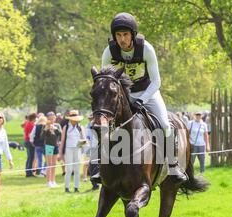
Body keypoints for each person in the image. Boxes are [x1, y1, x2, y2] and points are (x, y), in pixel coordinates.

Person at [94, 12, 187, 184]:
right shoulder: (109, 52)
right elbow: (106, 83)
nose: (122, 39)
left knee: (165, 124)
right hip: (122, 96)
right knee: (103, 124)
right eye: (119, 35)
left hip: (148, 92)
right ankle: (99, 166)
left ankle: (172, 165)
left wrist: (142, 99)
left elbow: (157, 81)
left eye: (126, 35)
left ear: (133, 35)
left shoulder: (146, 49)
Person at [59, 110, 86, 193]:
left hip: (77, 149)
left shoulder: (80, 127)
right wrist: (60, 154)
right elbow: (62, 140)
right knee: (69, 169)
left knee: (77, 170)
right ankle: (66, 188)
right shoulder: (66, 127)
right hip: (68, 149)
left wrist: (82, 144)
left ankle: (76, 187)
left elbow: (84, 139)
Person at [41, 111, 61, 188]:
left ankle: (53, 181)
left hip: (55, 146)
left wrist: (55, 129)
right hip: (48, 146)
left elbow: (60, 134)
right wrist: (46, 129)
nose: (52, 120)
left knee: (54, 165)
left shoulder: (57, 125)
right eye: (50, 119)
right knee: (49, 165)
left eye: (53, 118)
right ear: (47, 119)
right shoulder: (45, 126)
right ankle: (48, 181)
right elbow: (42, 137)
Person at [24, 113, 37, 177]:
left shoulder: (28, 123)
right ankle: (28, 172)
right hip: (29, 142)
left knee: (30, 157)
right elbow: (30, 135)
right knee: (31, 157)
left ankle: (28, 171)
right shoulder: (30, 125)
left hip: (27, 141)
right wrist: (32, 143)